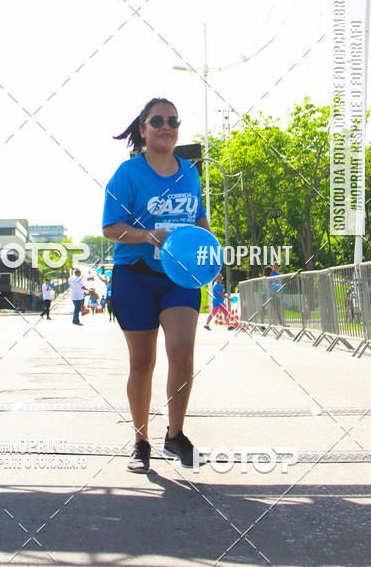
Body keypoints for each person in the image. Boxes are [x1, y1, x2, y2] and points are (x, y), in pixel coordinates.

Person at [103, 97, 214, 473]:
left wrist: (207, 246)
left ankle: (175, 435)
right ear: (143, 129)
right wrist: (151, 235)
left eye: (173, 120)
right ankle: (140, 440)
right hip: (135, 275)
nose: (166, 126)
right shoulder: (128, 173)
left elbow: (199, 218)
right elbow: (111, 228)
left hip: (180, 278)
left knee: (182, 353)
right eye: (157, 121)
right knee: (143, 362)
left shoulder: (190, 173)